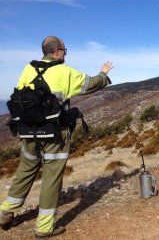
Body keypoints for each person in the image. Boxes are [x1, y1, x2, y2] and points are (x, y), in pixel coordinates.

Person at [0, 36, 113, 238]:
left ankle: (5, 212)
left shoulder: (28, 68)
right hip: (54, 133)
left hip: (28, 131)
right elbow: (91, 84)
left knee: (25, 170)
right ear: (56, 51)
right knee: (51, 177)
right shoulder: (64, 71)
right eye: (64, 50)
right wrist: (103, 74)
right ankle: (44, 227)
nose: (65, 54)